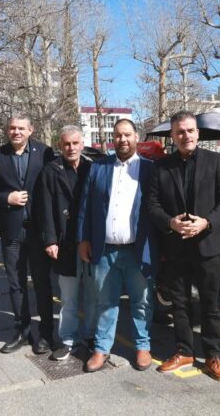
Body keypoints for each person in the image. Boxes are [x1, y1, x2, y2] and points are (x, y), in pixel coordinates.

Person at [147, 111, 220, 381]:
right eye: (180, 132)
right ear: (173, 136)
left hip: (208, 246)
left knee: (210, 304)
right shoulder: (161, 166)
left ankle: (212, 355)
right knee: (179, 304)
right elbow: (152, 204)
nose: (185, 135)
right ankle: (184, 351)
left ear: (197, 133)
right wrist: (170, 223)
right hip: (175, 247)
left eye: (190, 130)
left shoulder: (216, 161)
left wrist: (206, 223)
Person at [77, 119, 156, 373]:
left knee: (141, 301)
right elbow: (86, 207)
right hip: (105, 249)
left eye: (127, 135)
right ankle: (101, 348)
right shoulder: (98, 167)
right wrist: (83, 240)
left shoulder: (150, 169)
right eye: (118, 135)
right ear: (113, 138)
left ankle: (142, 346)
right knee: (105, 302)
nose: (123, 139)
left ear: (137, 137)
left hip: (138, 249)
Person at [0, 114, 55, 354]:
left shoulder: (45, 153)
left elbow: (54, 186)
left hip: (39, 231)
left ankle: (46, 333)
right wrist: (6, 198)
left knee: (42, 283)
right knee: (15, 284)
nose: (16, 132)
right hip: (12, 231)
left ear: (31, 130)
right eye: (12, 128)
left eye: (21, 128)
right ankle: (22, 331)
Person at [33, 125, 95, 361]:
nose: (71, 147)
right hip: (64, 243)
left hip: (90, 241)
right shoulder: (50, 170)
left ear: (82, 144)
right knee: (68, 298)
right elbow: (44, 208)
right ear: (60, 146)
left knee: (92, 296)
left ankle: (90, 336)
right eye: (66, 144)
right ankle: (68, 339)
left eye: (75, 143)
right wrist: (50, 239)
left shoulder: (93, 167)